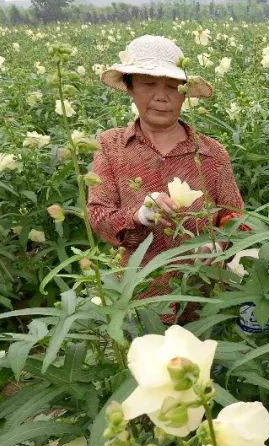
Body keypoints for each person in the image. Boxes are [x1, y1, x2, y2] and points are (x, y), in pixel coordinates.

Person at [87, 35, 244, 323]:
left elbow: (236, 218)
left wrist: (219, 244)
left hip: (206, 303)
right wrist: (140, 215)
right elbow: (98, 217)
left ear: (184, 94)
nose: (162, 96)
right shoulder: (111, 146)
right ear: (130, 88)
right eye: (148, 84)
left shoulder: (212, 153)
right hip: (141, 301)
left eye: (173, 87)